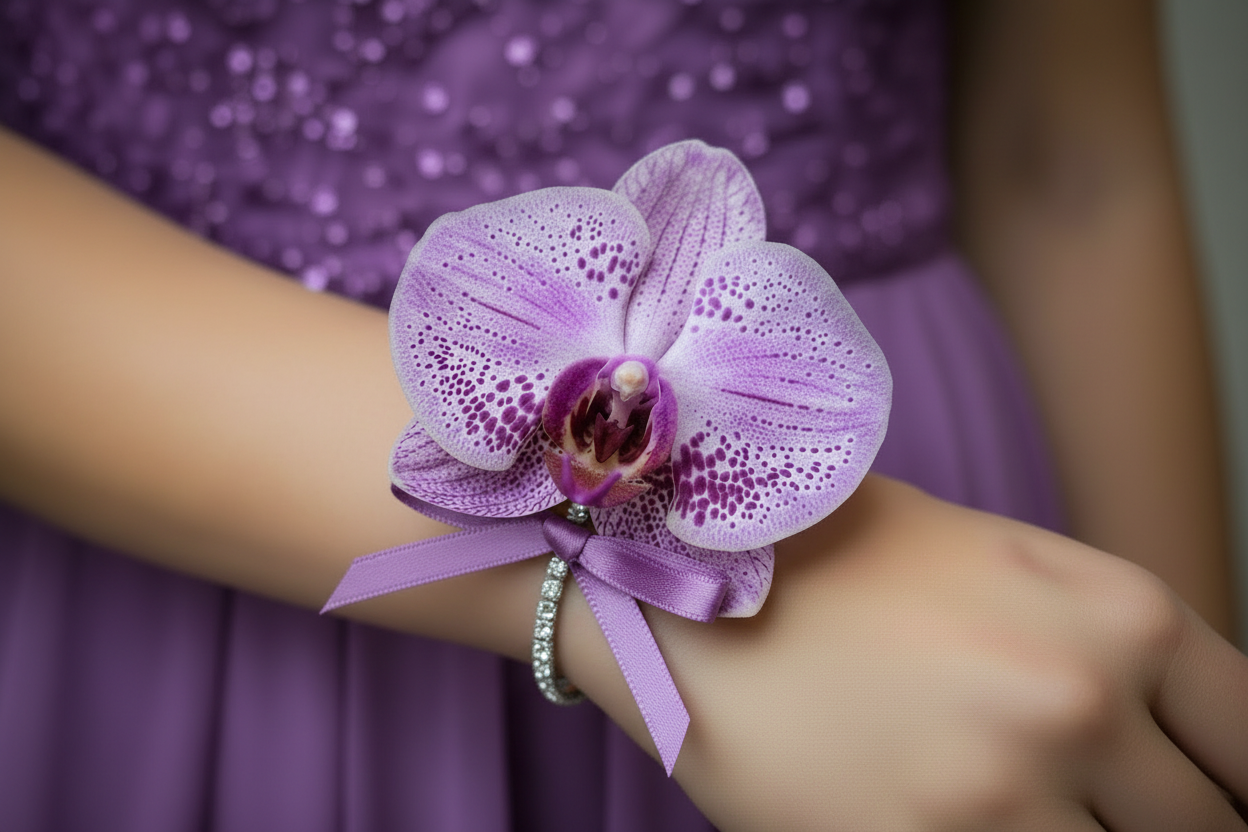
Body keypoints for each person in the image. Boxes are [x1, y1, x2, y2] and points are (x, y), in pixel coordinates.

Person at [0, 1, 1243, 830]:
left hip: (918, 545)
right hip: (200, 545)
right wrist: (645, 598)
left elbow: (1070, 165)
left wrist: (1163, 713)